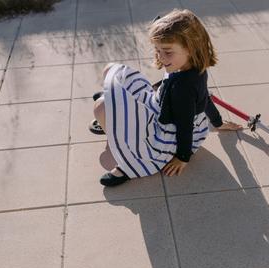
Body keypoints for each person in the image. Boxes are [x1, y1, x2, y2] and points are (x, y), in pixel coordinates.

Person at [91, 9, 242, 187]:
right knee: (111, 69)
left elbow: (185, 126)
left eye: (167, 52)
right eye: (158, 50)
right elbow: (204, 98)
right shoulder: (190, 65)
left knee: (100, 107)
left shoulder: (182, 89)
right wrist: (217, 122)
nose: (161, 57)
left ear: (190, 47)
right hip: (158, 104)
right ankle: (116, 111)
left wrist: (182, 157)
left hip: (163, 135)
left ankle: (127, 155)